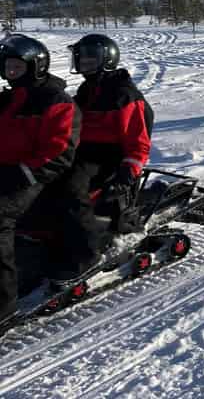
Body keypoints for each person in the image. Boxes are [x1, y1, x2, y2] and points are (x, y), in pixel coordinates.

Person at [52, 34, 154, 282]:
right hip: (82, 152)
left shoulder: (123, 94)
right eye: (81, 58)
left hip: (108, 158)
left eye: (90, 59)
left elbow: (138, 141)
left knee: (71, 188)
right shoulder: (89, 89)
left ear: (105, 59)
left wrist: (129, 171)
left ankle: (87, 254)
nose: (84, 64)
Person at [0, 34, 80, 326]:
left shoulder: (55, 101)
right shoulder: (8, 99)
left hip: (36, 178)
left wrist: (19, 173)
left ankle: (4, 306)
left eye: (17, 68)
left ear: (36, 66)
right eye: (7, 68)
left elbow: (58, 153)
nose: (11, 73)